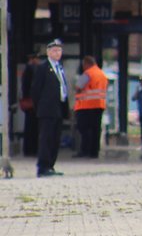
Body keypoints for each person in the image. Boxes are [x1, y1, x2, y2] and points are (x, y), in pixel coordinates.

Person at [30, 39, 69, 177]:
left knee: (55, 138)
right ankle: (43, 166)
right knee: (46, 138)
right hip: (47, 109)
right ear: (48, 52)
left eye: (59, 50)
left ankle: (51, 165)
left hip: (58, 108)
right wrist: (40, 106)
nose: (57, 53)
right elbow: (35, 90)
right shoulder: (43, 68)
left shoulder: (60, 67)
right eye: (54, 50)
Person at [73, 54, 108, 158]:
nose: (83, 67)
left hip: (86, 106)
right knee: (96, 130)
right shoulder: (102, 74)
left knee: (84, 129)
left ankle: (85, 151)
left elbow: (78, 86)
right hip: (99, 105)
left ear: (87, 64)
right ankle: (94, 152)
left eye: (83, 64)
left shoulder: (88, 73)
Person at [20, 51, 41, 157]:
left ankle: (30, 149)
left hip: (29, 102)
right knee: (32, 127)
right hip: (31, 102)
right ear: (33, 59)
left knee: (30, 126)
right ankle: (31, 149)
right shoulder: (31, 70)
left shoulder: (28, 70)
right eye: (37, 59)